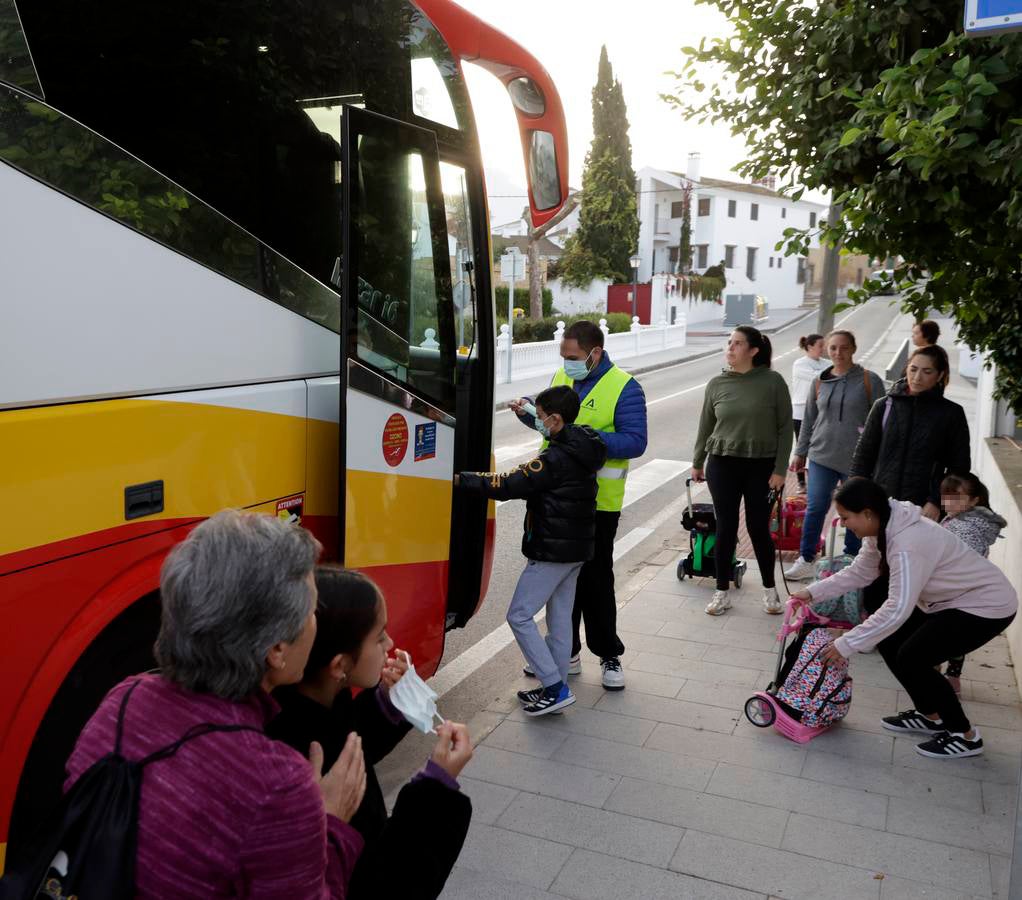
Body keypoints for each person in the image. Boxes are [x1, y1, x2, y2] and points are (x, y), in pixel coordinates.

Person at [63, 510, 366, 898]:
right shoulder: (276, 784)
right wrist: (332, 823)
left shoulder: (123, 700)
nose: (315, 621)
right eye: (311, 610)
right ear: (276, 649)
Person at [268, 567, 473, 900]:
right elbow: (387, 883)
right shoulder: (308, 765)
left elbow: (348, 738)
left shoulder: (309, 700)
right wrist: (436, 787)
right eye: (379, 636)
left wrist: (388, 704)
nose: (390, 644)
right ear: (339, 666)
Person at [792, 478, 1016, 759]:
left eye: (846, 518)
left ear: (868, 513)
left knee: (914, 655)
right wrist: (811, 593)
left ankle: (965, 735)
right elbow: (860, 571)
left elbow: (898, 608)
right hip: (950, 602)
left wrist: (845, 644)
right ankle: (930, 715)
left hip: (986, 605)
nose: (845, 524)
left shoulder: (908, 542)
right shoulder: (882, 529)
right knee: (890, 642)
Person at [509, 319, 646, 691]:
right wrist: (528, 416)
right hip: (552, 500)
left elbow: (635, 441)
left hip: (598, 504)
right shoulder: (563, 376)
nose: (565, 362)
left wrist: (579, 438)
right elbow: (550, 427)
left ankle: (608, 654)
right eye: (563, 356)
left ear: (594, 353)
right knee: (558, 583)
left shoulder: (624, 387)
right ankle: (564, 654)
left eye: (572, 356)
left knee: (596, 580)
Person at [458, 385, 606, 714]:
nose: (538, 422)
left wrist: (462, 479)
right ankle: (556, 684)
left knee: (519, 616)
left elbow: (510, 484)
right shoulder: (583, 442)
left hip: (552, 550)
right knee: (559, 618)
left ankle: (553, 686)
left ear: (555, 419)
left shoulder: (554, 458)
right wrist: (527, 411)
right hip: (577, 549)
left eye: (540, 417)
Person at [692, 325, 793, 616]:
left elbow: (785, 429)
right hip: (722, 463)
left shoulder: (773, 382)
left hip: (762, 466)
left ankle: (770, 591)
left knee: (758, 528)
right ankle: (721, 591)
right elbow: (705, 426)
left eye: (737, 344)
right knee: (725, 527)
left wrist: (780, 469)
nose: (730, 348)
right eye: (729, 343)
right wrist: (698, 461)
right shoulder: (717, 384)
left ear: (753, 350)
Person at [784, 330, 885, 580]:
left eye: (843, 348)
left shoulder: (868, 380)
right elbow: (809, 418)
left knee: (853, 510)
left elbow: (883, 420)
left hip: (857, 459)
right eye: (833, 348)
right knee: (816, 507)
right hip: (821, 455)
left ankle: (851, 561)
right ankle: (807, 558)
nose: (838, 353)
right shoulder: (819, 380)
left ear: (853, 349)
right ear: (827, 350)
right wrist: (801, 452)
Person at [938, 473, 1008, 694]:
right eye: (945, 496)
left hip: (959, 587)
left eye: (956, 497)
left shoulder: (967, 526)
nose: (949, 502)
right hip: (961, 587)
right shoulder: (961, 519)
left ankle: (947, 675)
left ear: (974, 500)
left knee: (948, 633)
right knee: (952, 635)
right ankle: (952, 674)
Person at [789, 333, 830, 491]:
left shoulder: (826, 363)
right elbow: (819, 378)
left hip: (821, 410)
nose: (823, 349)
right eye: (820, 345)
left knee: (820, 446)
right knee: (802, 446)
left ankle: (817, 481)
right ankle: (801, 482)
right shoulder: (800, 364)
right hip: (801, 410)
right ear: (810, 346)